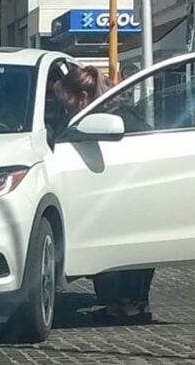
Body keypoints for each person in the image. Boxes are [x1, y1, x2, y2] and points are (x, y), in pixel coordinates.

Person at [52, 64, 156, 322]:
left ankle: (127, 304)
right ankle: (134, 302)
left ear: (82, 98)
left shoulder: (104, 120)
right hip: (131, 188)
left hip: (126, 191)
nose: (65, 110)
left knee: (127, 244)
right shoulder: (118, 113)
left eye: (66, 103)